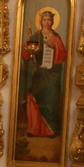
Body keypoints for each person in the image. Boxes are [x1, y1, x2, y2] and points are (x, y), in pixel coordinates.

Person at [20, 9, 66, 138]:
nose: (47, 22)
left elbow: (61, 57)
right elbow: (26, 56)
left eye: (49, 20)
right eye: (44, 19)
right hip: (37, 73)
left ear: (52, 22)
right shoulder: (35, 36)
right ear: (40, 21)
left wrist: (55, 46)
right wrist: (27, 45)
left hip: (51, 74)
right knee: (34, 100)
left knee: (50, 100)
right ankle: (34, 128)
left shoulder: (56, 37)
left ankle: (50, 129)